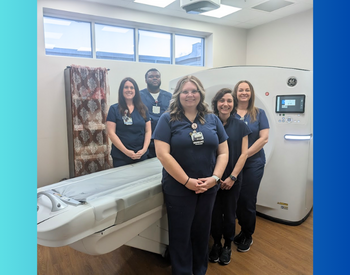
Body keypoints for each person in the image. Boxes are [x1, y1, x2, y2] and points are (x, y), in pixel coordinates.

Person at [153, 75, 229, 275]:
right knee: (181, 234)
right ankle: (183, 271)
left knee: (202, 232)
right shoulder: (167, 119)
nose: (190, 95)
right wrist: (187, 181)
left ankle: (199, 270)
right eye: (185, 91)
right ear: (178, 95)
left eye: (194, 91)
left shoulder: (212, 119)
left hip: (208, 187)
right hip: (179, 187)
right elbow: (162, 154)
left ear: (200, 93)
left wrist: (215, 179)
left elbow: (224, 152)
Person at [209, 88, 251, 265]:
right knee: (215, 213)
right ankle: (216, 243)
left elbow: (244, 154)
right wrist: (215, 178)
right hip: (213, 178)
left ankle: (227, 245)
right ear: (216, 103)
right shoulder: (209, 123)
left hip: (232, 179)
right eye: (221, 100)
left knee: (230, 212)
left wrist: (233, 177)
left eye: (229, 101)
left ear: (233, 104)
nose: (225, 104)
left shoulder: (241, 126)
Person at [232, 80, 269, 253]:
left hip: (253, 163)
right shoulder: (229, 112)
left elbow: (264, 138)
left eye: (247, 90)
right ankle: (240, 230)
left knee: (247, 199)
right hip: (233, 164)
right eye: (241, 90)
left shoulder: (259, 113)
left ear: (251, 93)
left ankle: (247, 234)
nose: (244, 92)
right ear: (236, 92)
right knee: (235, 199)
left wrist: (245, 154)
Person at [106, 77, 151, 168]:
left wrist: (144, 150)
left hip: (141, 155)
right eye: (126, 87)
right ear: (121, 90)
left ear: (136, 91)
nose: (129, 90)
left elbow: (148, 131)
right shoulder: (114, 109)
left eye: (132, 87)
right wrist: (126, 151)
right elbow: (111, 133)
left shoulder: (143, 109)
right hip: (121, 156)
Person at [140, 68, 172, 158]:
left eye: (157, 76)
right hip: (145, 142)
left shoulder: (169, 97)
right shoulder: (138, 96)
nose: (155, 78)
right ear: (146, 80)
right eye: (151, 77)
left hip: (165, 140)